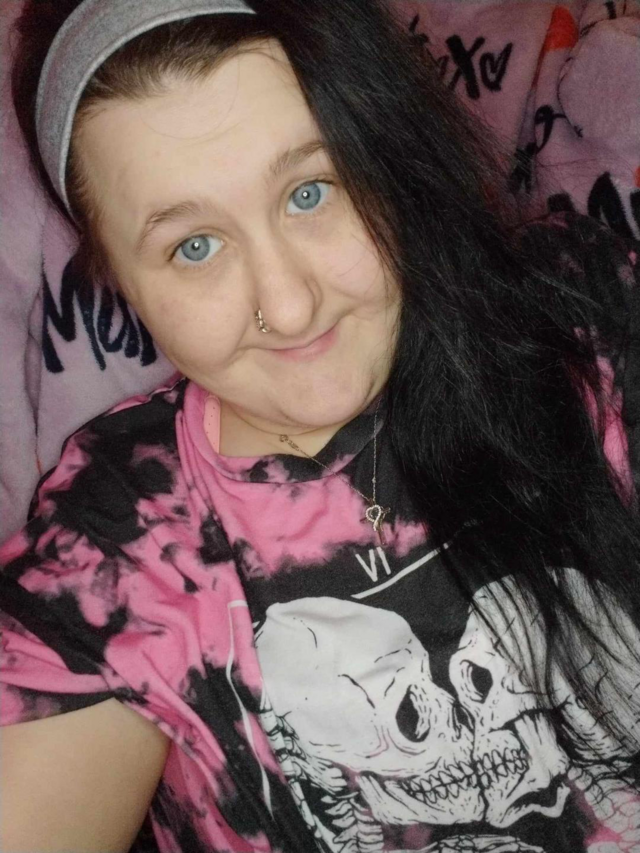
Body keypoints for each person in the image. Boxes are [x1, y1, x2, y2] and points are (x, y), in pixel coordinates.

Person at [2, 0, 640, 851]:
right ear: (118, 277)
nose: (291, 304)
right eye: (194, 246)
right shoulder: (118, 541)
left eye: (311, 192)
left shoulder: (586, 321)